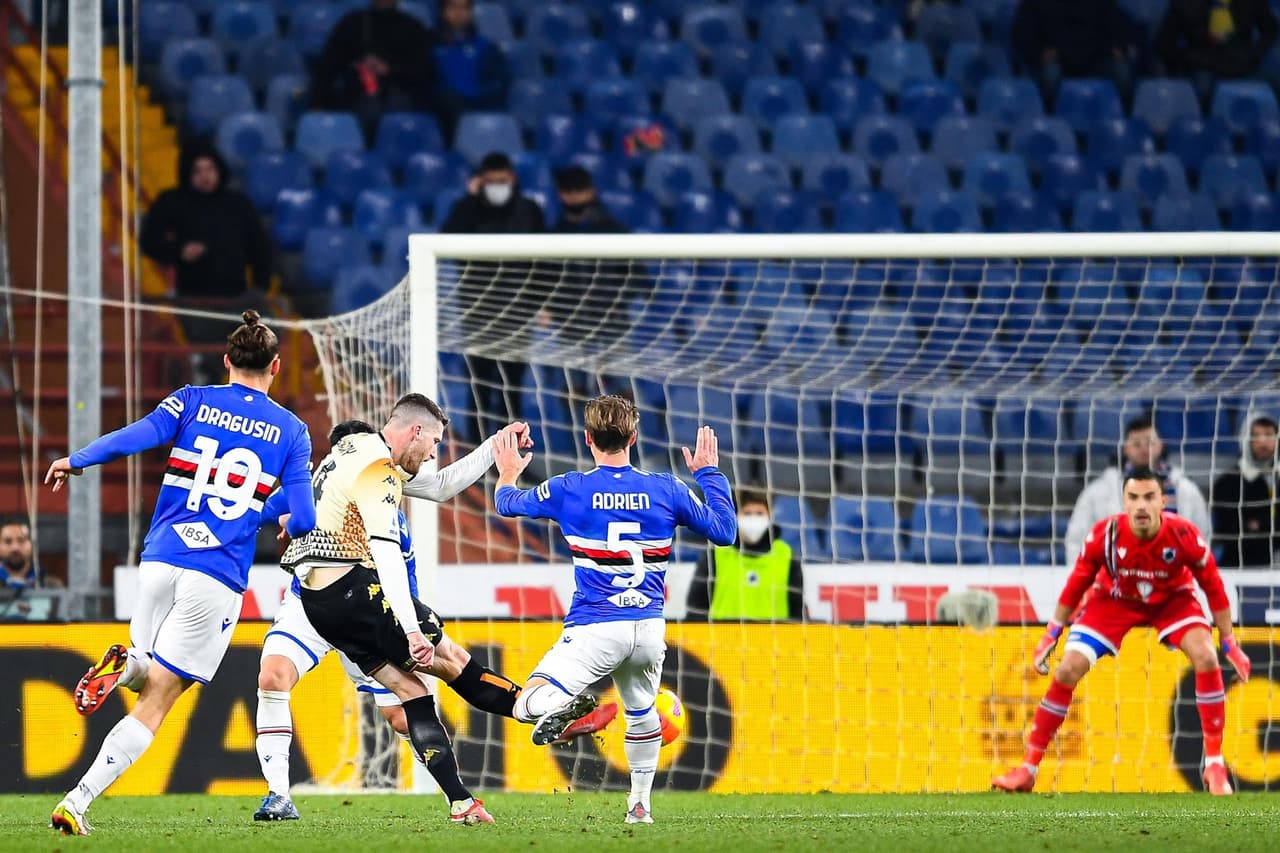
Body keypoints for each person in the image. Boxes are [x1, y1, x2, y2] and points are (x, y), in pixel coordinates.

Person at [46, 311, 316, 836]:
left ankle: (125, 667)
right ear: (277, 367)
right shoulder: (292, 430)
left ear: (226, 361)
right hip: (216, 576)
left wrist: (77, 460)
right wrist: (266, 508)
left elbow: (135, 436)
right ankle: (77, 800)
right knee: (160, 698)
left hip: (160, 557)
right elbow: (303, 518)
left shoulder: (191, 399)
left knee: (149, 672)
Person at [254, 417, 604, 821]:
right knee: (451, 663)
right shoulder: (373, 472)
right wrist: (411, 628)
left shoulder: (347, 474)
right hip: (350, 595)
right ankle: (535, 706)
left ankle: (462, 801)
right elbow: (379, 555)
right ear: (413, 431)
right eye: (435, 440)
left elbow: (439, 486)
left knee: (409, 700)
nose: (436, 450)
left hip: (332, 603)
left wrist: (493, 445)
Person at [493, 394, 737, 824]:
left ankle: (567, 704)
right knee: (642, 711)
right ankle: (639, 806)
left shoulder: (569, 488)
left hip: (596, 626)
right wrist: (709, 474)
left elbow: (506, 503)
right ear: (634, 437)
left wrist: (510, 472)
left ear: (588, 438)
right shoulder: (668, 488)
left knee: (528, 700)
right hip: (647, 627)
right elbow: (725, 531)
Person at [993, 466, 1251, 795]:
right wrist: (1051, 633)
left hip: (1172, 598)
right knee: (1068, 668)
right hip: (1114, 600)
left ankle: (1214, 764)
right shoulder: (1106, 534)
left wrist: (1228, 642)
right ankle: (1028, 770)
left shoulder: (1184, 535)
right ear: (1124, 501)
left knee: (1206, 657)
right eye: (1133, 498)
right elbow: (1076, 584)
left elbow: (1213, 587)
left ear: (1163, 501)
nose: (1141, 505)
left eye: (1149, 497)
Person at [140, 144, 272, 383]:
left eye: (209, 169)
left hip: (237, 300)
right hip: (195, 302)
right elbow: (149, 241)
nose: (205, 176)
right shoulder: (173, 201)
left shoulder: (237, 203)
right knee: (211, 360)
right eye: (198, 171)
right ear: (188, 174)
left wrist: (260, 287)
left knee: (259, 345)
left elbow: (260, 246)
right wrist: (179, 252)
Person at [441, 151, 544, 443]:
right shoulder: (468, 209)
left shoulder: (529, 210)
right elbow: (447, 239)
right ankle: (477, 450)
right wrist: (471, 200)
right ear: (481, 182)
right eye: (491, 182)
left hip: (519, 312)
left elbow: (543, 262)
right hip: (479, 312)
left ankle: (511, 450)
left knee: (512, 388)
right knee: (480, 387)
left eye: (503, 180)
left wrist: (540, 304)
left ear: (512, 178)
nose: (498, 186)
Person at [1065, 415, 1211, 560]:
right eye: (1136, 444)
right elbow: (1077, 539)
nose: (1144, 449)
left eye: (1149, 442)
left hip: (1173, 576)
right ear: (1125, 449)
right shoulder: (1098, 491)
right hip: (1117, 577)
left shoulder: (1184, 489)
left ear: (1160, 445)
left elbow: (1202, 536)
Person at [310, 0, 434, 141]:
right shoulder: (352, 24)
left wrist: (389, 70)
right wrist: (317, 103)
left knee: (396, 109)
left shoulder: (413, 27)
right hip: (357, 97)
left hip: (401, 97)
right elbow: (328, 66)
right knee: (368, 110)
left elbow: (424, 72)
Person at [686, 487, 804, 621]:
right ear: (736, 515)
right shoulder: (715, 553)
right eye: (747, 513)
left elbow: (797, 611)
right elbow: (696, 607)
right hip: (723, 638)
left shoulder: (786, 555)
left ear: (770, 515)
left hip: (773, 639)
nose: (753, 518)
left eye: (759, 513)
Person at [1010, 0, 1136, 100]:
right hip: (1057, 60)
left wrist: (1120, 47)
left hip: (1095, 57)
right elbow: (1022, 35)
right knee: (1050, 73)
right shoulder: (1036, 3)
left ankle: (1119, 116)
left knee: (1122, 70)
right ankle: (1052, 118)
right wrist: (1038, 53)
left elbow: (1119, 25)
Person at [431, 0, 510, 142]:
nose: (459, 13)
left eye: (465, 8)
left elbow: (499, 83)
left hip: (477, 106)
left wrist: (479, 95)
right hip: (442, 113)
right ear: (443, 12)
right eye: (453, 7)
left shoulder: (486, 47)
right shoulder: (429, 44)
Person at [1156, 0, 1278, 87]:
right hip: (1203, 65)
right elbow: (1164, 44)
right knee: (1203, 87)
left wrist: (1254, 54)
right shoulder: (1184, 3)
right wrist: (1191, 59)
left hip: (1242, 61)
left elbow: (1271, 30)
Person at [1212, 411, 1279, 568]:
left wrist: (1259, 524)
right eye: (1256, 436)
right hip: (1241, 565)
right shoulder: (1227, 483)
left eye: (1269, 435)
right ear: (1245, 440)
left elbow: (1254, 526)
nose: (1263, 442)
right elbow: (1230, 531)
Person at [551, 166, 628, 234]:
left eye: (579, 189)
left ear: (591, 192)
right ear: (559, 194)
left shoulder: (613, 232)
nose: (573, 195)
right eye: (568, 190)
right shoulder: (552, 235)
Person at [0, 518, 42, 593]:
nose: (15, 548)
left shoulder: (50, 584)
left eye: (21, 540)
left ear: (32, 545)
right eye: (8, 541)